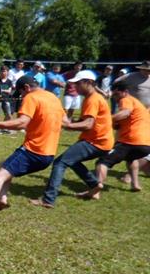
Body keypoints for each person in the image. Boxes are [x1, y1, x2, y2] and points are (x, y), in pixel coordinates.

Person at [0, 75, 65, 222]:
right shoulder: (53, 97)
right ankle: (2, 198)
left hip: (33, 151)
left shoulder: (31, 97)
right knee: (4, 165)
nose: (22, 96)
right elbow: (64, 121)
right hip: (48, 155)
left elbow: (22, 123)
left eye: (22, 93)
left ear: (27, 88)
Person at [30, 71, 114, 208]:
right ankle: (94, 184)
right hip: (101, 141)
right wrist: (73, 121)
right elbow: (88, 120)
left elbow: (88, 124)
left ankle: (48, 200)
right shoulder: (93, 98)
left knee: (60, 163)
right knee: (72, 160)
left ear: (89, 83)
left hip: (97, 141)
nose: (75, 87)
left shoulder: (93, 99)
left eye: (78, 84)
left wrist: (67, 125)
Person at [76, 80, 150, 199]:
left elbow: (125, 113)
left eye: (117, 94)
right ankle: (135, 184)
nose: (115, 97)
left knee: (102, 162)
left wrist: (107, 120)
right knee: (131, 158)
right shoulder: (137, 103)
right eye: (113, 94)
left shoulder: (125, 100)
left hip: (130, 140)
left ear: (125, 92)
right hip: (146, 144)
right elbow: (127, 120)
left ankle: (96, 191)